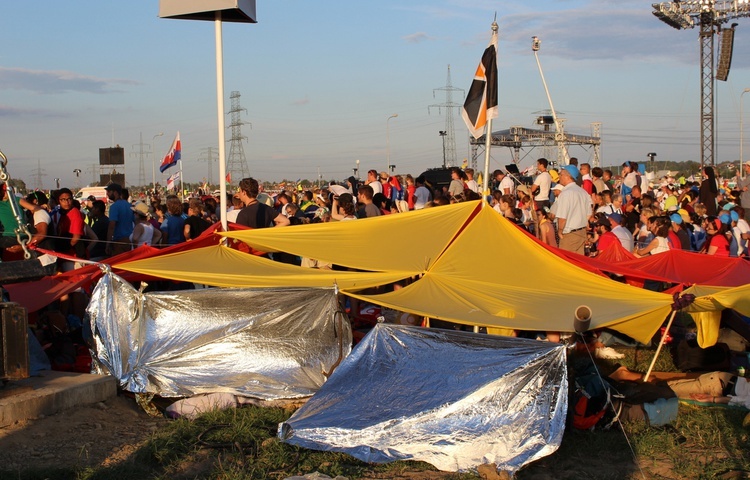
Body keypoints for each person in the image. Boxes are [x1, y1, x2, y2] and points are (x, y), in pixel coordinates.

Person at [551, 165, 592, 254]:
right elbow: (589, 214)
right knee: (579, 262)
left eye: (561, 175)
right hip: (581, 232)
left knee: (566, 261)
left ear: (567, 176)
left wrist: (560, 231)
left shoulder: (565, 193)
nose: (559, 177)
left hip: (569, 234)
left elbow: (562, 217)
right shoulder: (583, 192)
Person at [104, 183, 134, 256]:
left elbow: (112, 226)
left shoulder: (114, 207)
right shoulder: (129, 205)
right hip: (130, 240)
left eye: (109, 191)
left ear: (115, 192)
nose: (107, 194)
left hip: (119, 242)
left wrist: (108, 243)